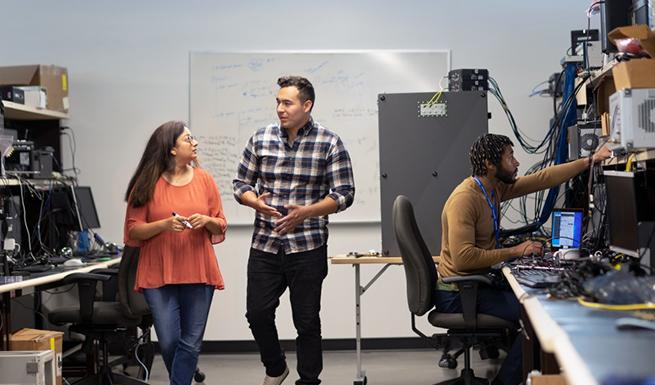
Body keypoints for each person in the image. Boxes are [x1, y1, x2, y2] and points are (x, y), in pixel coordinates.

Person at [436, 133, 611, 385]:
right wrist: (516, 251)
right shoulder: (465, 199)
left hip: (477, 282)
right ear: (489, 164)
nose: (517, 162)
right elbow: (464, 259)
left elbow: (542, 179)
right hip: (458, 292)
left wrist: (590, 160)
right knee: (539, 318)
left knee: (545, 302)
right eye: (510, 157)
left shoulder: (493, 189)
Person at [233, 76, 355, 385]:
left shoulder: (329, 142)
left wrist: (307, 212)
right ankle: (275, 367)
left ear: (307, 105)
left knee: (307, 322)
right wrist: (254, 203)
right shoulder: (260, 139)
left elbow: (344, 194)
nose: (280, 109)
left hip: (308, 247)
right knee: (257, 314)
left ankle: (309, 381)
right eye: (277, 102)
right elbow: (241, 185)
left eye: (287, 103)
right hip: (265, 244)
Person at [124, 120, 227, 385]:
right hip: (158, 273)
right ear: (171, 148)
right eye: (188, 139)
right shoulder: (146, 183)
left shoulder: (205, 179)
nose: (195, 143)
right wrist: (164, 225)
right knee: (169, 342)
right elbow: (133, 231)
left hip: (198, 270)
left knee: (190, 343)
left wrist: (206, 220)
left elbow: (220, 223)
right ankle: (184, 374)